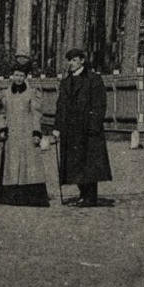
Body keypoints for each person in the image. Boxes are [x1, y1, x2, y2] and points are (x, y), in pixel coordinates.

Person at [52, 47, 112, 207]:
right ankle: (82, 194)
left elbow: (100, 104)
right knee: (74, 164)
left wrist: (94, 125)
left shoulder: (93, 79)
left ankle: (90, 196)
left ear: (82, 61)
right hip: (70, 130)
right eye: (69, 60)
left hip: (88, 129)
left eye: (74, 60)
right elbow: (61, 106)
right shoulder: (66, 82)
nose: (71, 63)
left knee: (90, 164)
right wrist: (57, 126)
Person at [0, 56, 49, 206]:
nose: (18, 78)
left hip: (26, 133)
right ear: (12, 75)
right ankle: (9, 196)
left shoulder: (32, 94)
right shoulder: (4, 94)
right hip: (11, 134)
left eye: (22, 76)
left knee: (28, 165)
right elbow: (0, 113)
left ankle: (28, 197)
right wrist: (1, 128)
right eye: (16, 75)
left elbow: (36, 114)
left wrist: (36, 132)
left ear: (26, 77)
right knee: (10, 164)